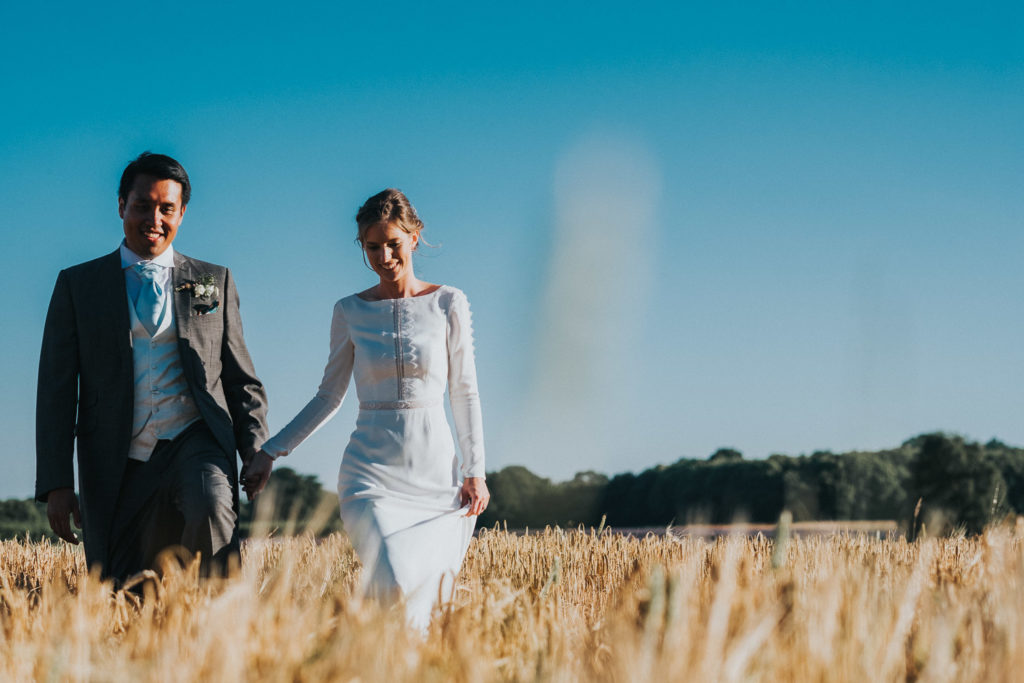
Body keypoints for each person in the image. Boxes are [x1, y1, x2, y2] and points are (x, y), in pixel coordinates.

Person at [244, 188, 489, 630]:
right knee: (393, 582)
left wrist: (476, 470)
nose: (384, 256)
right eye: (372, 247)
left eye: (393, 243)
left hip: (436, 481)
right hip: (370, 477)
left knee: (421, 608)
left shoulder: (449, 302)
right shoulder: (349, 310)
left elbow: (465, 391)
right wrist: (271, 451)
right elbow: (328, 396)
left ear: (415, 237)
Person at [35, 152, 269, 581]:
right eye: (142, 205)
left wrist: (255, 447)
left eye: (166, 208)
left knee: (212, 507)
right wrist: (56, 482)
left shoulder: (212, 280)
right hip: (117, 457)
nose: (154, 219)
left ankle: (219, 633)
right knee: (122, 588)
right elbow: (56, 388)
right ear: (121, 204)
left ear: (182, 212)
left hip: (196, 440)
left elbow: (239, 376)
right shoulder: (78, 285)